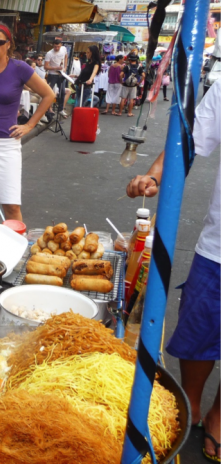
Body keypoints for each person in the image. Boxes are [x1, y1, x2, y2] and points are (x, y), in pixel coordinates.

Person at [125, 79, 221, 462]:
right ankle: (192, 405)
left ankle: (218, 417)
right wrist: (154, 175)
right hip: (219, 247)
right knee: (199, 327)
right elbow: (190, 140)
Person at [0, 24, 54, 221]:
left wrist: (30, 125)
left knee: (11, 205)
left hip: (7, 145)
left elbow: (48, 95)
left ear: (9, 45)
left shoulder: (19, 69)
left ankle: (17, 249)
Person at [44, 37, 68, 117]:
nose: (56, 48)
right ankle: (47, 108)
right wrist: (55, 68)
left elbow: (66, 57)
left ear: (61, 45)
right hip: (52, 74)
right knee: (49, 91)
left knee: (62, 91)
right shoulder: (49, 53)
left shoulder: (64, 49)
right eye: (55, 47)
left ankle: (61, 109)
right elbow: (46, 66)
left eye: (58, 47)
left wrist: (65, 67)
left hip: (61, 74)